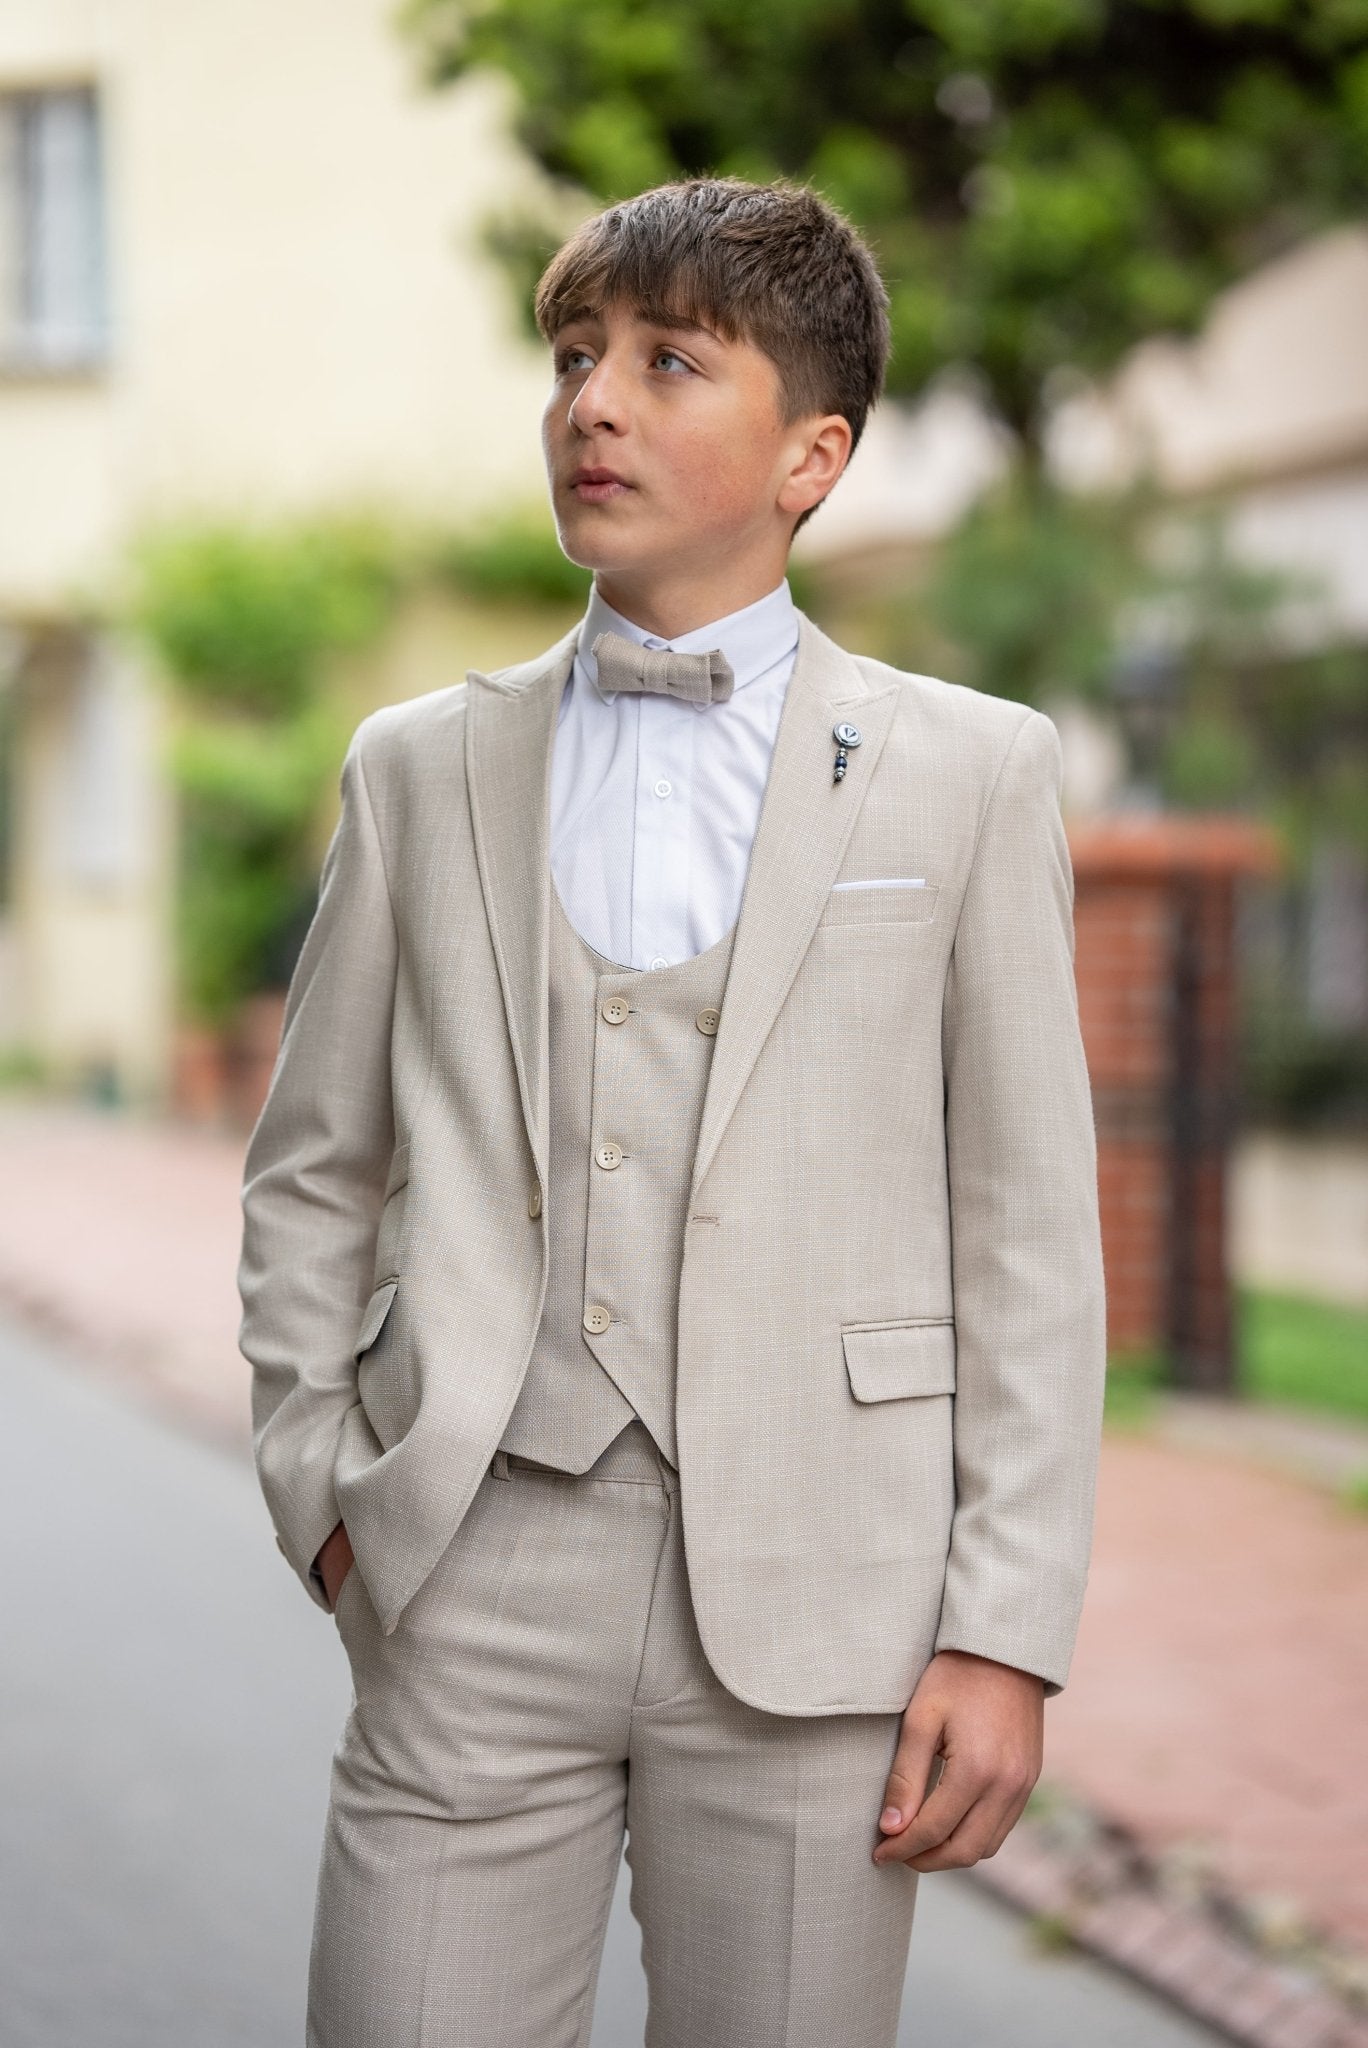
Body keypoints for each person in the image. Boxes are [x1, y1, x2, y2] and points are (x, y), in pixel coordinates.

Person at [237, 174, 1106, 2048]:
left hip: (825, 1588)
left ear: (815, 451)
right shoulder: (417, 768)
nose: (590, 404)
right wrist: (324, 1483)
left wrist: (1006, 1625)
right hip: (474, 1556)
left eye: (664, 360)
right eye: (571, 358)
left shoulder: (968, 774)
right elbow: (313, 1169)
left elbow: (1027, 1230)